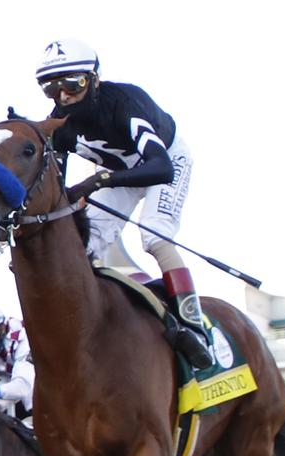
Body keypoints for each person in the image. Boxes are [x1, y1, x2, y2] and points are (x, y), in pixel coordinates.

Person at [36, 38, 212, 369]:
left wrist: (98, 181)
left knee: (155, 235)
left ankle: (194, 327)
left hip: (166, 160)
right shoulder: (58, 125)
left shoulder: (124, 103)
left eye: (72, 84)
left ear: (94, 79)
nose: (63, 96)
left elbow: (160, 168)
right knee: (84, 243)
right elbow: (56, 188)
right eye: (51, 87)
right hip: (118, 172)